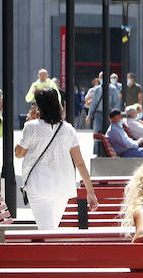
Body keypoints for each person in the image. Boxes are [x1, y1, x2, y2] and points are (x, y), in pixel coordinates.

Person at [15, 87, 98, 230]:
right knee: (51, 229)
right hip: (62, 186)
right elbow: (79, 163)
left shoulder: (31, 127)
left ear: (39, 106)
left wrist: (28, 123)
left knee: (47, 231)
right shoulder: (68, 129)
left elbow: (18, 154)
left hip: (38, 184)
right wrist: (90, 192)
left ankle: (52, 252)